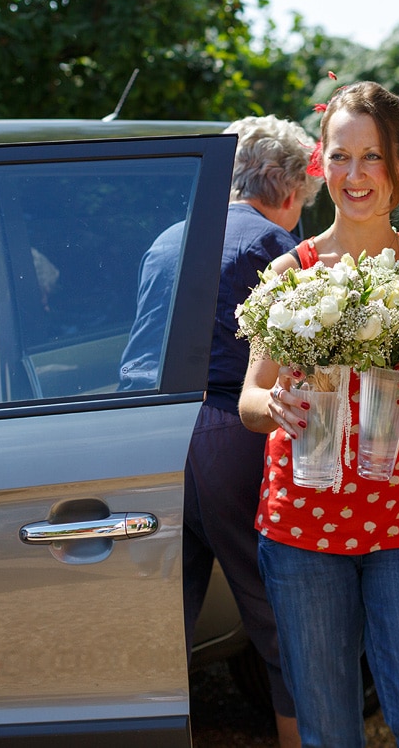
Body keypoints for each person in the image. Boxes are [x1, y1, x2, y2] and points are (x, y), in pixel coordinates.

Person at [238, 81, 399, 748]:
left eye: (371, 157)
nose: (354, 175)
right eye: (339, 157)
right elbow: (250, 402)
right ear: (320, 162)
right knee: (328, 731)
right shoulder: (289, 271)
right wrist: (275, 404)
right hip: (302, 524)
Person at [119, 115, 323, 748]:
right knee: (278, 617)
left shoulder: (166, 238)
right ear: (288, 189)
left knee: (160, 627)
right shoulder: (275, 248)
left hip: (144, 435)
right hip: (226, 431)